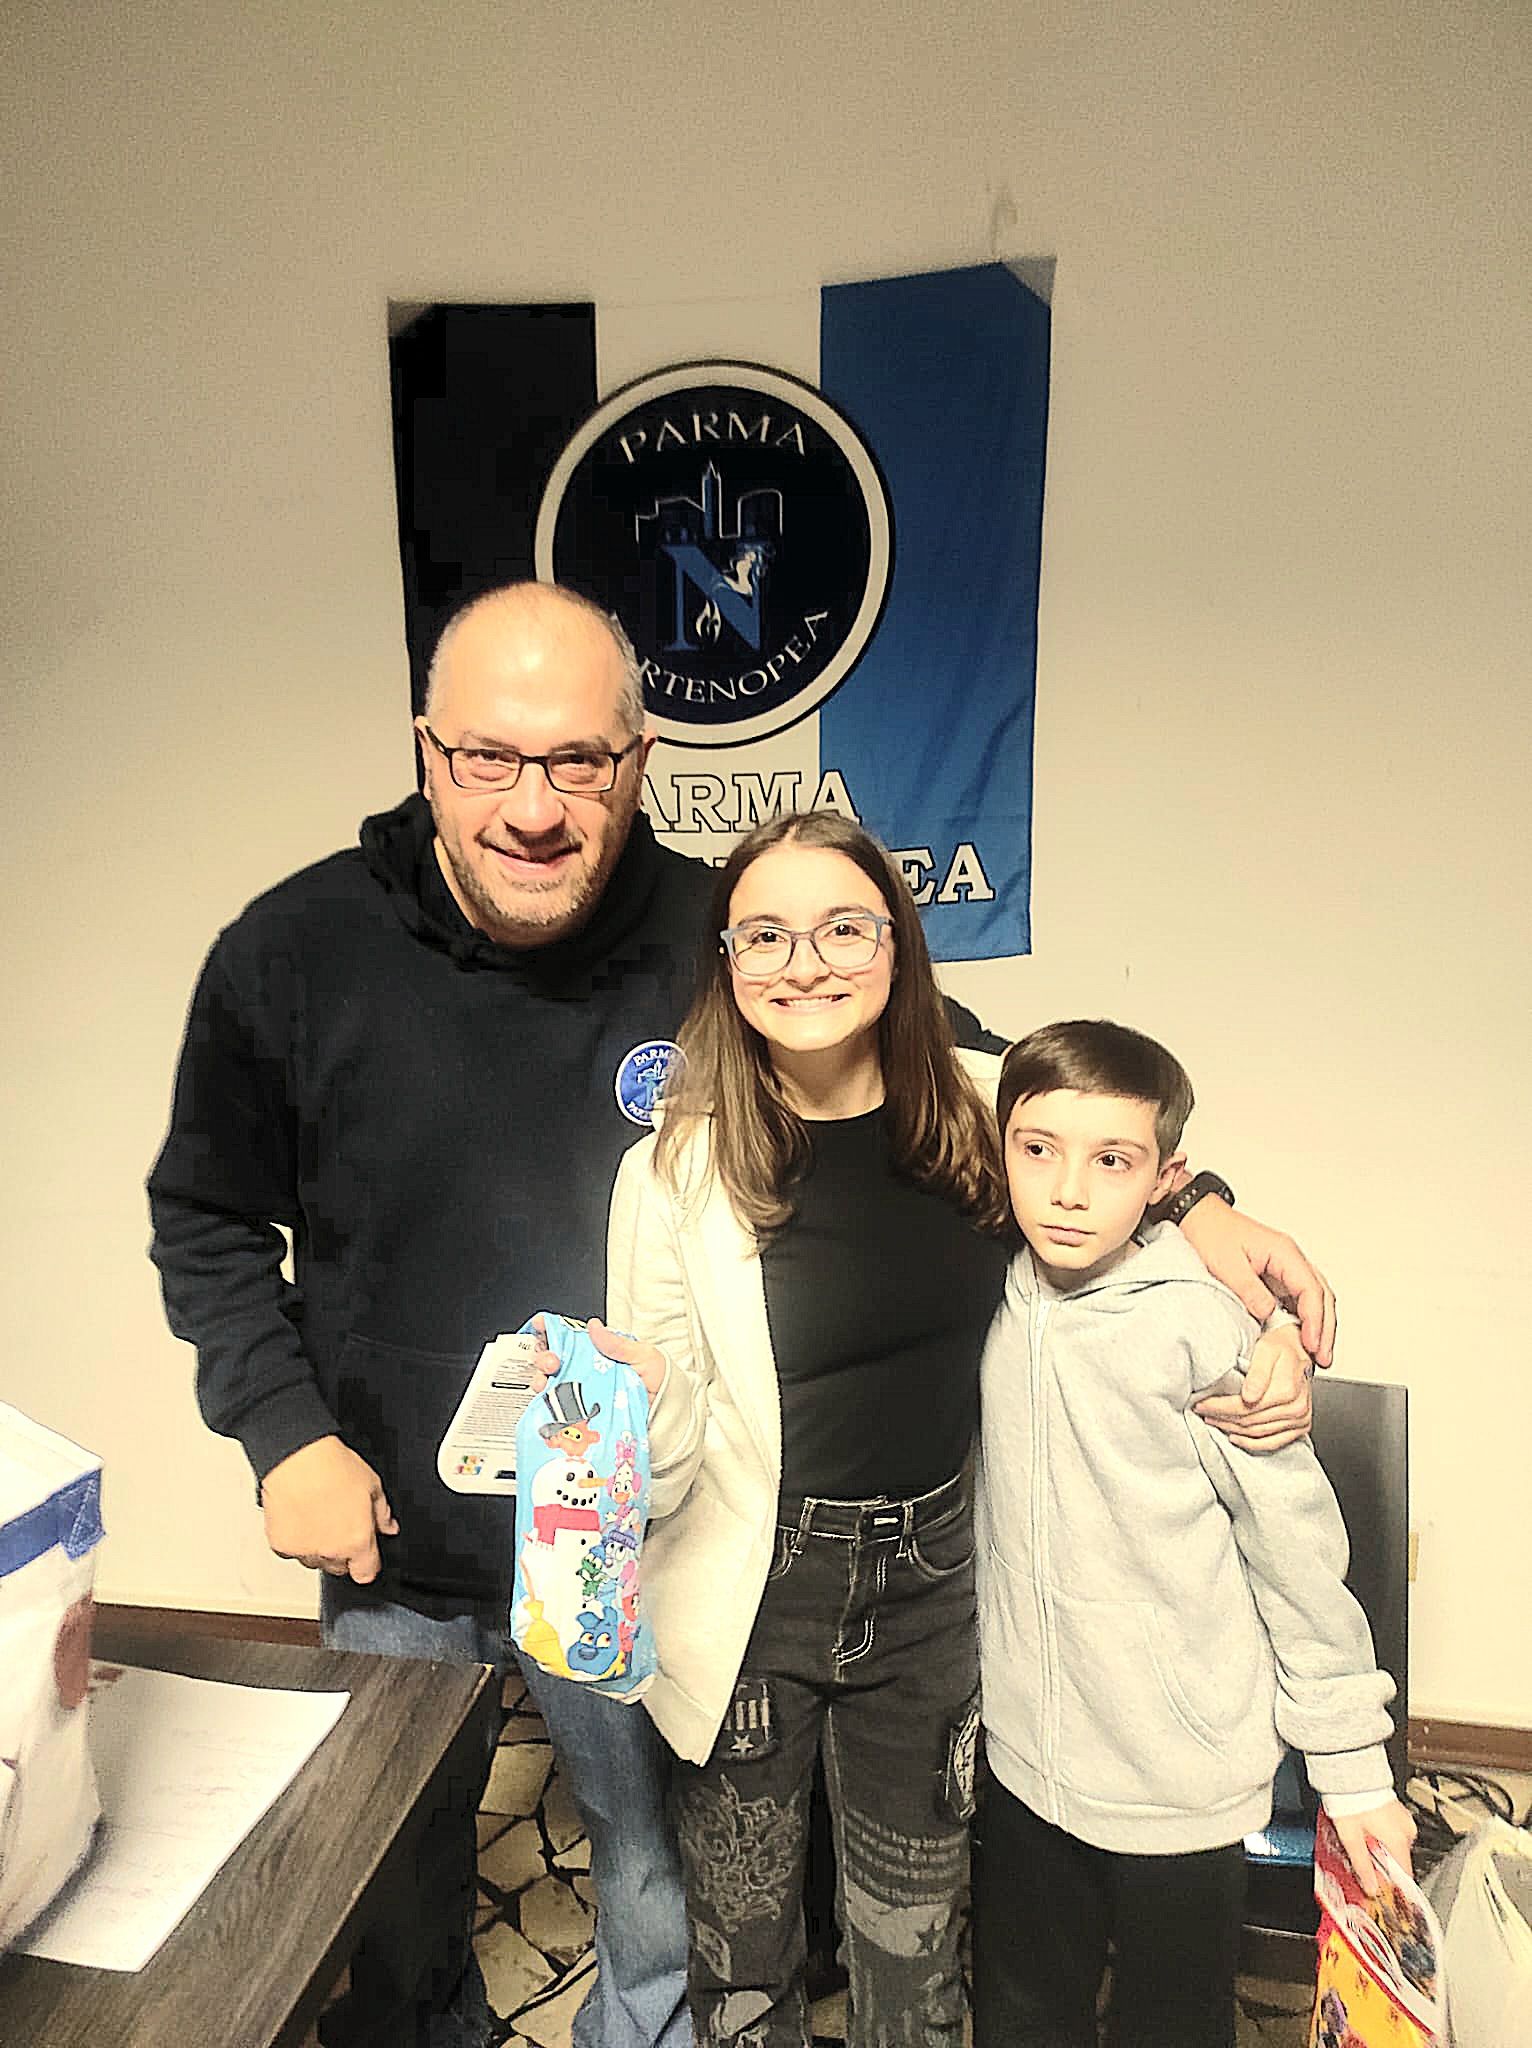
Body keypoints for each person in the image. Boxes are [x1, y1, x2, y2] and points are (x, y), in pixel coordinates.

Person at [145, 582, 1329, 2048]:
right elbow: (204, 1216)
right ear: (428, 750)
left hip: (632, 1519)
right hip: (389, 1516)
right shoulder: (292, 949)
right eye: (489, 756)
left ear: (639, 759)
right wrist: (284, 1436)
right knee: (384, 1894)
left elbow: (1006, 1081)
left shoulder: (716, 926)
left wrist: (1197, 1201)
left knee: (660, 1884)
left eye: (578, 759)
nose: (533, 804)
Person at [590, 813, 1327, 2048]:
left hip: (935, 1582)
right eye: (763, 933)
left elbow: (1122, 1158)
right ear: (726, 958)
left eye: (843, 927)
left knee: (914, 1940)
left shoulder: (988, 1102)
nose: (804, 962)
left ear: (897, 942)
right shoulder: (673, 1167)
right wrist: (643, 1395)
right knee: (741, 1952)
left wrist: (1221, 1239)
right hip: (747, 1580)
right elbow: (660, 1462)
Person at [969, 1019, 1416, 2048]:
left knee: (1172, 2017)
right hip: (1026, 1759)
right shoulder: (990, 1290)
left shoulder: (1201, 1327)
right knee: (1023, 2008)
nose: (1067, 1190)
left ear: (1165, 1179)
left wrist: (1354, 1770)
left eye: (1110, 1161)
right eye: (1038, 1150)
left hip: (1182, 1777)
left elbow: (1297, 1560)